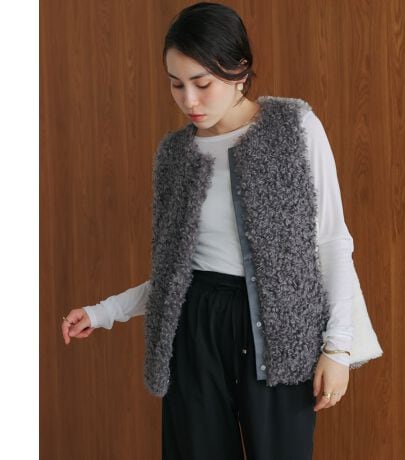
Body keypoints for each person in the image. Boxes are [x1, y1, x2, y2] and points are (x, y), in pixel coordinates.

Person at [61, 2, 357, 459]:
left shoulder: (296, 128)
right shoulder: (175, 155)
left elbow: (331, 242)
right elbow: (175, 277)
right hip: (195, 328)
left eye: (202, 84)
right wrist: (103, 312)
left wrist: (338, 350)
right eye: (176, 84)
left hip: (280, 332)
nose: (189, 101)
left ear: (239, 71)